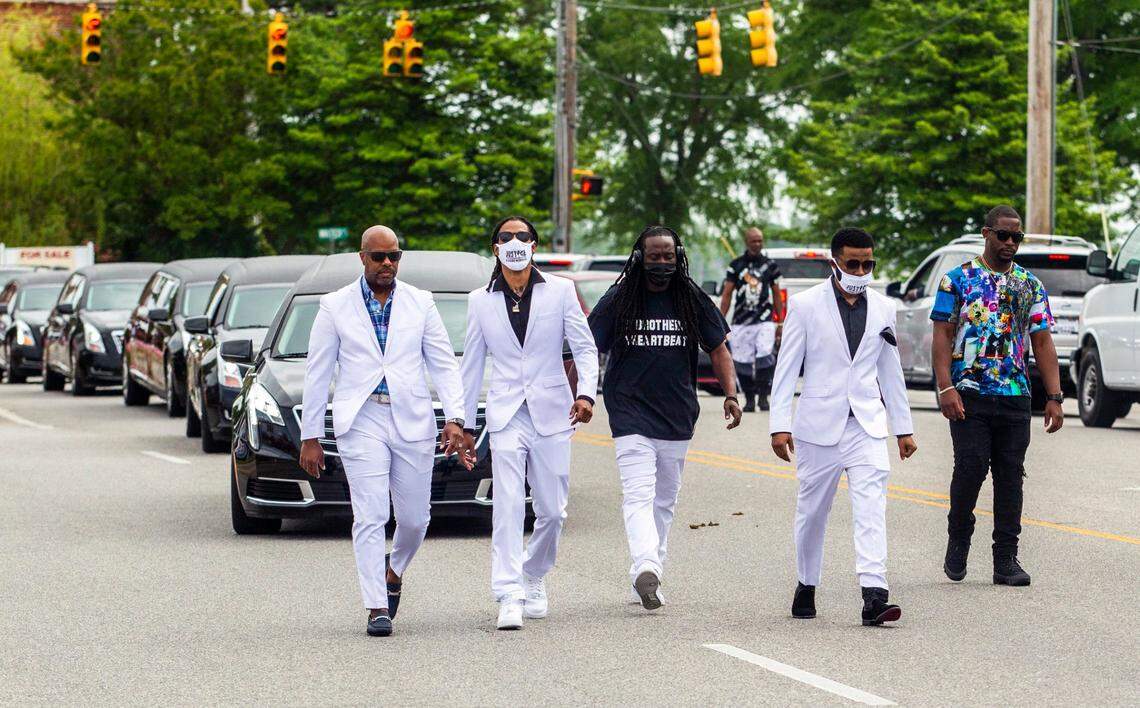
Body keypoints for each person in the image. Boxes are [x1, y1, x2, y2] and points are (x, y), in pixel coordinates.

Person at [299, 225, 469, 638]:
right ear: (362, 258)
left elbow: (443, 363)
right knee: (371, 514)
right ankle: (376, 604)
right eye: (379, 257)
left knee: (414, 519)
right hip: (362, 420)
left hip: (411, 417)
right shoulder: (334, 305)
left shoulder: (421, 303)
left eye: (394, 256)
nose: (387, 264)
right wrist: (310, 436)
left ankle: (394, 571)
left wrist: (456, 418)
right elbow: (318, 371)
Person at [589, 226, 742, 610]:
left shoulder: (689, 295)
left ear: (678, 256)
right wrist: (580, 396)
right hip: (629, 411)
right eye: (654, 256)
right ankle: (646, 564)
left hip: (677, 413)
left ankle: (650, 574)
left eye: (668, 256)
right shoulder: (620, 297)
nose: (661, 263)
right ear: (640, 257)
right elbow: (587, 347)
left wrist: (731, 394)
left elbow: (719, 348)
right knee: (638, 493)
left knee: (664, 499)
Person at [769, 227, 917, 626]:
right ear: (834, 262)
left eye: (868, 263)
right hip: (818, 426)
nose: (861, 270)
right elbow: (787, 370)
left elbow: (890, 369)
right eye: (853, 263)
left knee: (871, 506)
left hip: (866, 425)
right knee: (812, 511)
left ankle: (874, 594)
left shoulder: (884, 307)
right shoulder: (805, 306)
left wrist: (903, 427)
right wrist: (779, 425)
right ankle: (806, 583)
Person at [459, 216, 599, 631]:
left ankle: (533, 573)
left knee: (553, 511)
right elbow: (471, 365)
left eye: (522, 236)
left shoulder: (560, 291)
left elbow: (585, 348)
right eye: (506, 237)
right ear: (495, 248)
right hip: (505, 414)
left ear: (534, 246)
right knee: (506, 504)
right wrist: (466, 424)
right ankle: (508, 593)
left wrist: (586, 394)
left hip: (554, 411)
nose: (515, 242)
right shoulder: (479, 300)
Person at [931, 205, 1064, 587]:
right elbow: (942, 335)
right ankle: (959, 539)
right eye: (1003, 236)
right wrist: (945, 386)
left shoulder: (1029, 284)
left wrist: (1053, 395)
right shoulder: (956, 280)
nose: (1010, 243)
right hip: (968, 395)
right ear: (986, 233)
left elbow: (1042, 340)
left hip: (1015, 394)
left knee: (1010, 478)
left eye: (1016, 237)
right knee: (970, 469)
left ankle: (1005, 559)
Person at [721, 227, 783, 411]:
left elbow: (777, 295)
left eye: (760, 240)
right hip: (741, 321)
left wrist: (780, 322)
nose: (757, 244)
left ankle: (763, 397)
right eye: (754, 241)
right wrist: (720, 320)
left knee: (765, 357)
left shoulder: (770, 265)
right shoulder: (736, 265)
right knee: (742, 361)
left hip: (764, 320)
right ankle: (749, 399)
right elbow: (726, 295)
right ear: (747, 242)